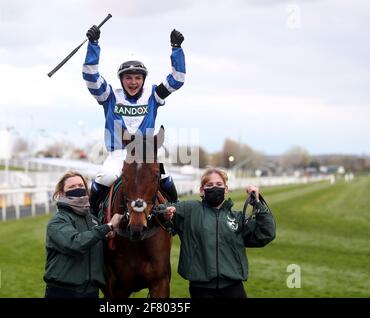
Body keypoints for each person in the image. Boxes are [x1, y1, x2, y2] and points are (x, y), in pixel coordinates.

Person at [82, 24, 186, 215]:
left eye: (137, 78)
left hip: (147, 152)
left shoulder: (154, 94)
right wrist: (93, 44)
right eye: (128, 78)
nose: (133, 82)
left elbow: (177, 79)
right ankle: (92, 216)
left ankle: (175, 214)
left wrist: (176, 49)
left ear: (143, 79)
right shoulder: (109, 95)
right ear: (121, 79)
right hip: (119, 153)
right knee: (105, 176)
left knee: (165, 178)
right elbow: (90, 76)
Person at [162, 168, 276, 298]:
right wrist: (165, 212)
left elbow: (267, 233)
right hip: (201, 289)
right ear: (201, 190)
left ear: (226, 189)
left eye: (219, 185)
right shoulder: (190, 210)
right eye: (209, 185)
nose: (215, 188)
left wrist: (257, 202)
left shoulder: (237, 218)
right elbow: (162, 210)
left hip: (234, 287)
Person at [43, 171, 122, 298]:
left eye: (80, 185)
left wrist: (107, 236)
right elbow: (76, 243)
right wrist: (108, 226)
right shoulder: (58, 221)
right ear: (62, 193)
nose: (78, 189)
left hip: (91, 292)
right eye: (72, 187)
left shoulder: (93, 220)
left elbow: (95, 241)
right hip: (63, 292)